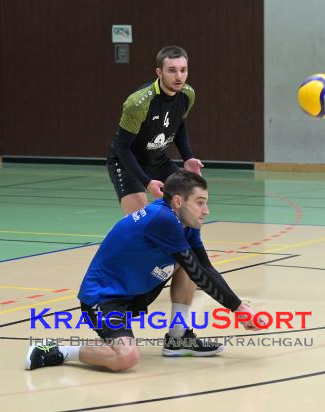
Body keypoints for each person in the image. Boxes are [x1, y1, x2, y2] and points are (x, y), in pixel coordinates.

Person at [26, 170, 268, 372]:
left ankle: (178, 337)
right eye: (200, 203)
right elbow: (199, 275)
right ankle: (59, 351)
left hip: (139, 288)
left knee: (189, 262)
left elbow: (203, 266)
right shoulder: (162, 220)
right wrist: (238, 308)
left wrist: (238, 307)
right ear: (178, 202)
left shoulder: (184, 222)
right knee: (126, 358)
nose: (206, 210)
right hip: (104, 299)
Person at [106, 45, 204, 347]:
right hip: (128, 164)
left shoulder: (187, 94)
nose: (178, 76)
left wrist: (187, 157)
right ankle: (118, 303)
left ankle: (178, 335)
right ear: (158, 72)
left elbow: (180, 124)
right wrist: (147, 182)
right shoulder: (138, 103)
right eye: (172, 70)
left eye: (183, 70)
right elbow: (122, 149)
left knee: (185, 241)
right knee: (144, 234)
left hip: (159, 158)